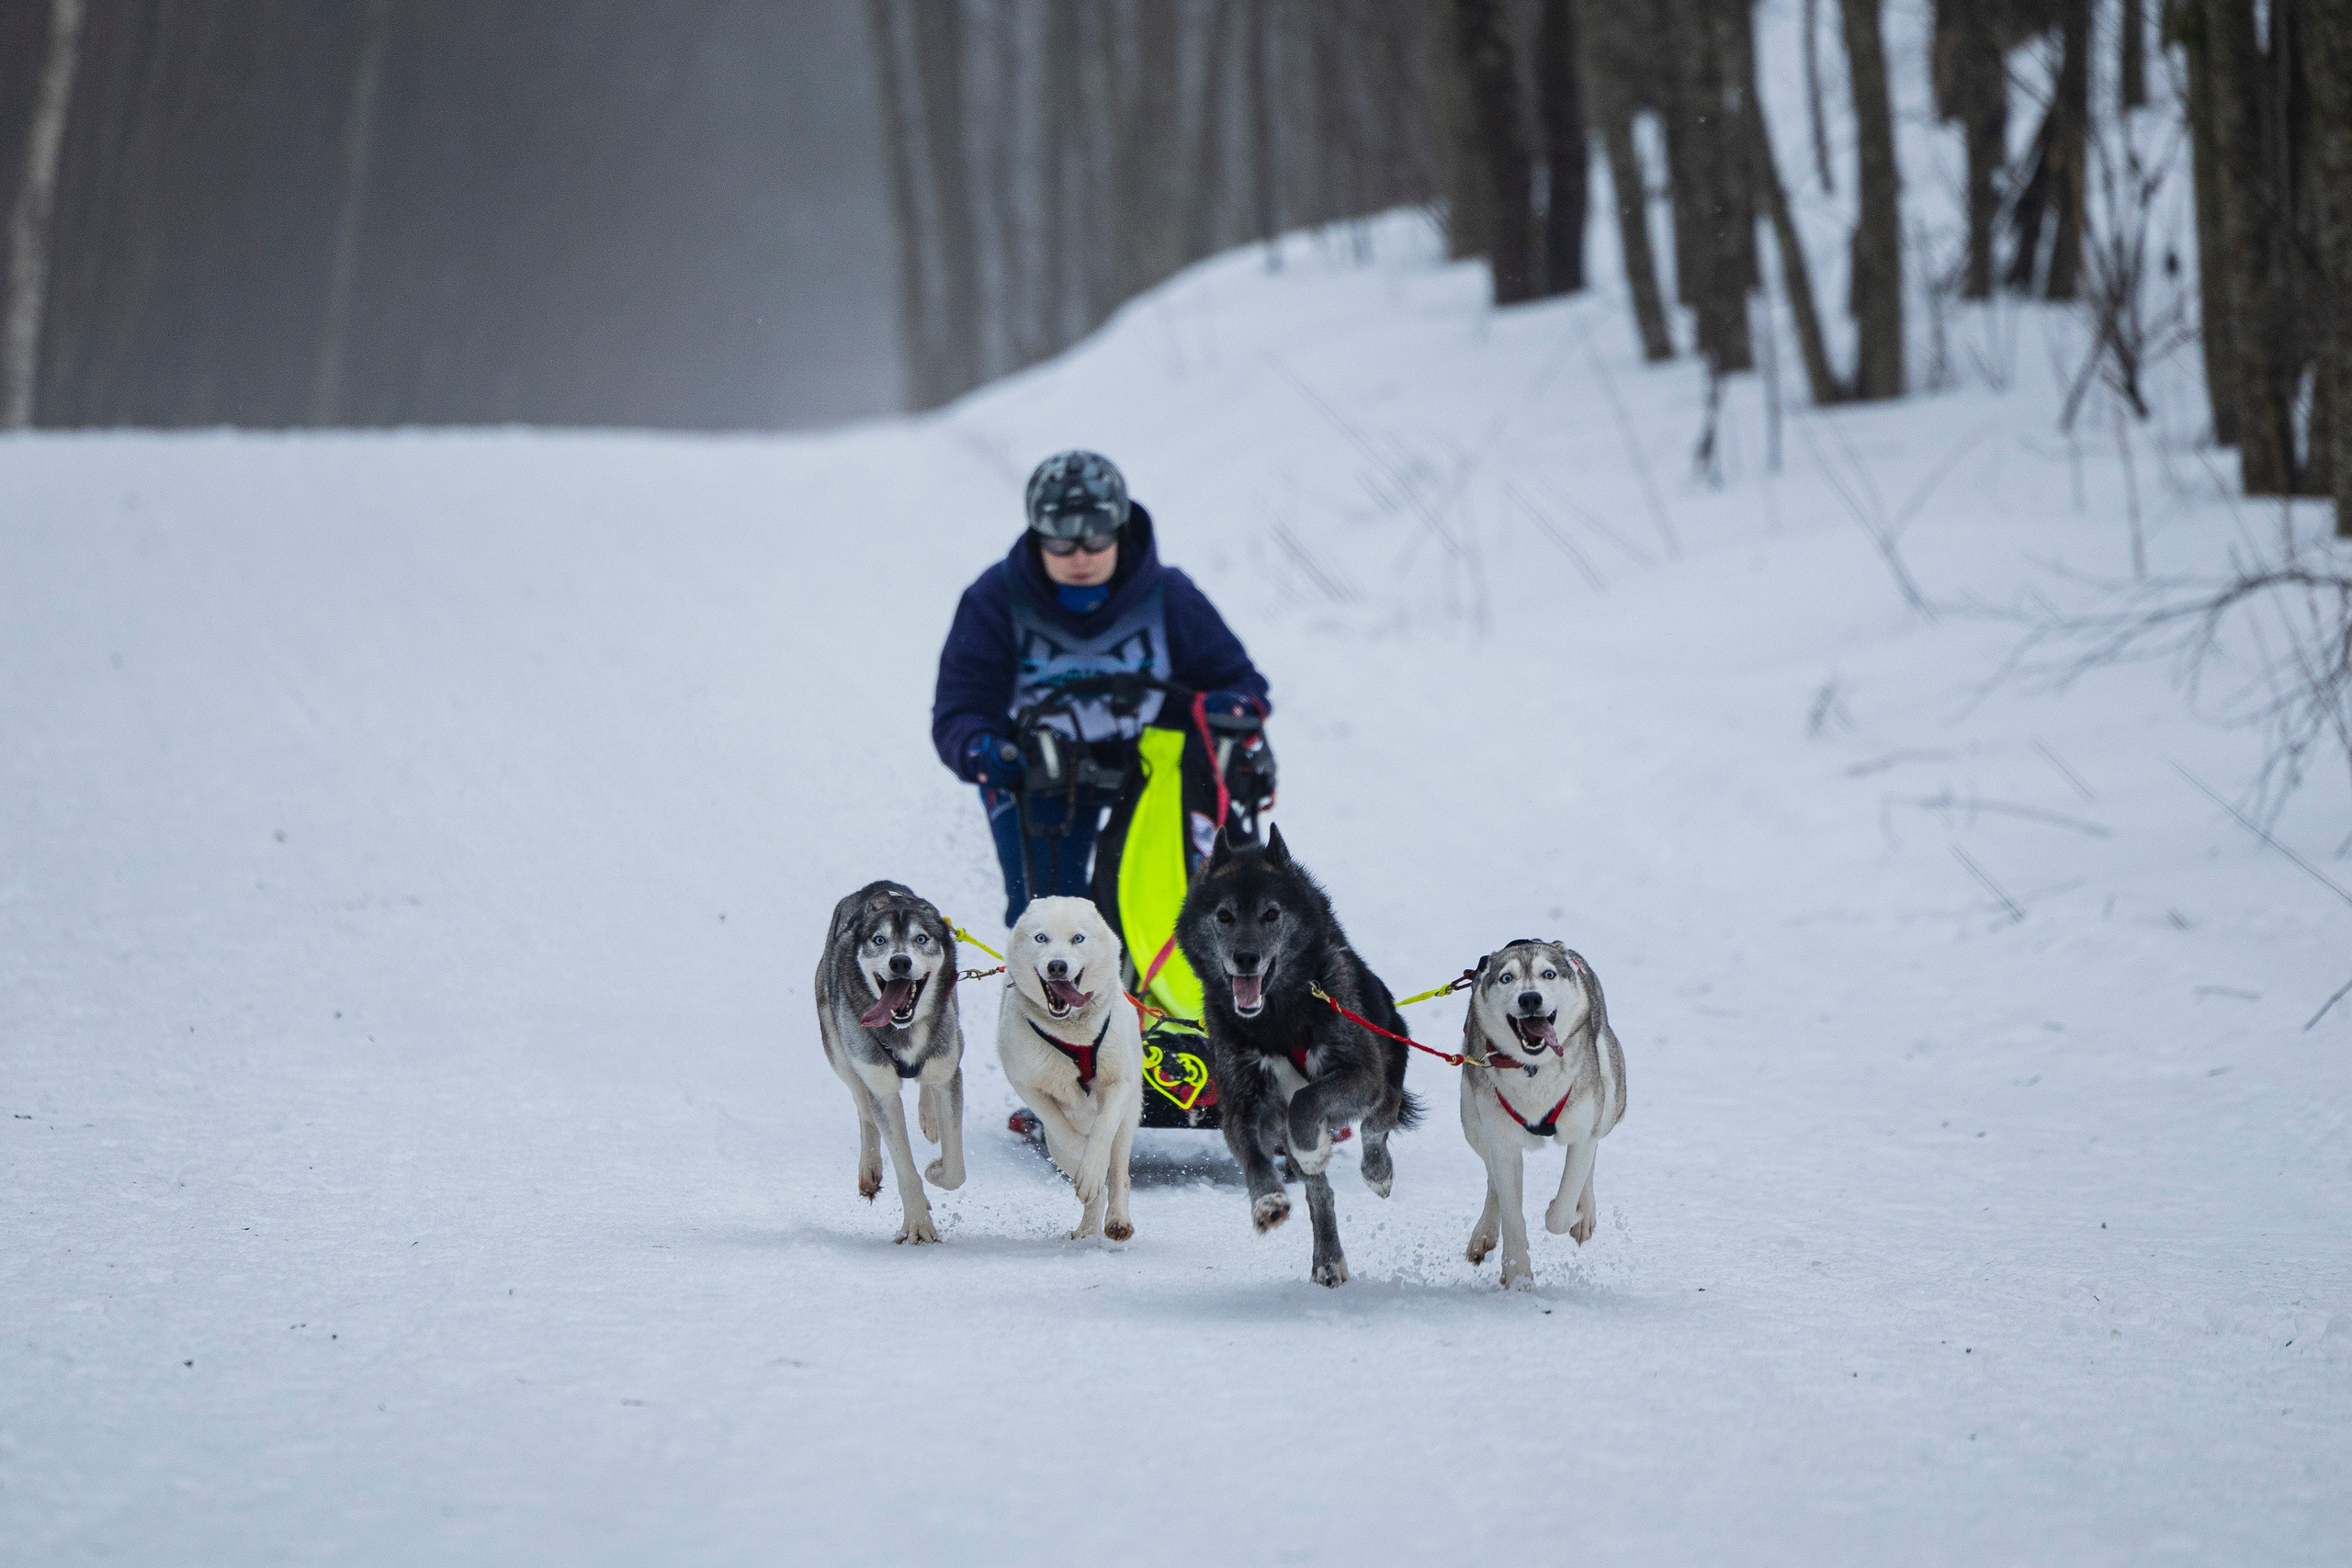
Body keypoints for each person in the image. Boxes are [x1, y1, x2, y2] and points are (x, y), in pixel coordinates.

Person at [933, 451, 1271, 926]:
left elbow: (1241, 681)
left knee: (1182, 909)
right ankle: (1061, 999)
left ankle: (1164, 991)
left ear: (1119, 529)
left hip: (1152, 767)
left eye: (1095, 540)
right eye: (1061, 544)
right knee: (1051, 925)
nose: (1080, 559)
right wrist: (980, 750)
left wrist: (1231, 710)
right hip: (1042, 769)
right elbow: (961, 706)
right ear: (1037, 537)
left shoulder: (1169, 596)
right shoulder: (994, 600)